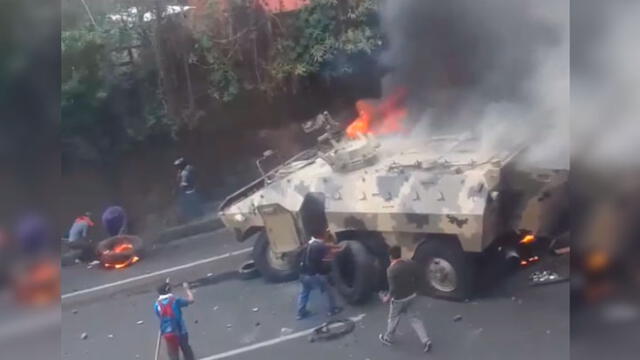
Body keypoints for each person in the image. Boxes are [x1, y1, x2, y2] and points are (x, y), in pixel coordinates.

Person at [379, 245, 432, 352]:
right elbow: (418, 276)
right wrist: (417, 289)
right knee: (415, 319)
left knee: (393, 319)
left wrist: (387, 298)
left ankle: (387, 338)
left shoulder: (391, 270)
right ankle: (425, 340)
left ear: (390, 256)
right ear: (400, 253)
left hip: (398, 299)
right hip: (411, 295)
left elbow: (392, 288)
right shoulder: (409, 263)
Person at [297, 229, 344, 320]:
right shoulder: (321, 246)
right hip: (313, 275)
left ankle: (300, 313)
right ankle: (332, 309)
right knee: (328, 291)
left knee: (304, 293)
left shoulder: (309, 244)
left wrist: (334, 246)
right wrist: (341, 248)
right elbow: (333, 251)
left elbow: (327, 246)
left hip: (303, 274)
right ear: (322, 236)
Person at [155, 281, 196, 360]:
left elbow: (159, 317)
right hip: (180, 330)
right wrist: (187, 289)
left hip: (167, 333)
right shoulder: (175, 300)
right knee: (186, 349)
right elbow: (191, 300)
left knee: (173, 353)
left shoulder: (157, 305)